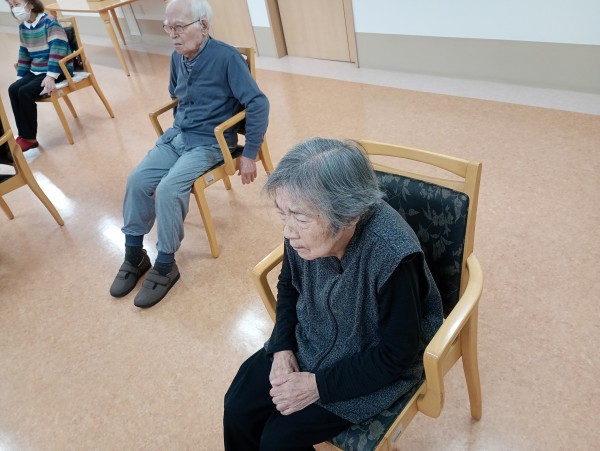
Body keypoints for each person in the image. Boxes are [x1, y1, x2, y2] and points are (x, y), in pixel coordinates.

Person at [223, 138, 444, 449]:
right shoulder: (303, 230)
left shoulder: (393, 256)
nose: (288, 231)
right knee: (237, 409)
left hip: (370, 363)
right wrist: (282, 347)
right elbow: (289, 285)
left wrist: (317, 386)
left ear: (350, 216)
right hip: (310, 339)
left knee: (278, 440)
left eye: (300, 217)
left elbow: (397, 355)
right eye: (283, 214)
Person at [109, 0, 269, 308]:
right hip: (178, 136)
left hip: (210, 143)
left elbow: (258, 103)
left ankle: (166, 264)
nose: (173, 34)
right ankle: (134, 254)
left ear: (204, 26)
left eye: (179, 27)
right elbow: (176, 93)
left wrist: (250, 153)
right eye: (168, 27)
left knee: (169, 189)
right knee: (137, 180)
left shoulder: (227, 58)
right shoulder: (177, 57)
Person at [7, 0, 72, 152]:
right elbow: (24, 54)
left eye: (17, 4)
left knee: (25, 92)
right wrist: (20, 78)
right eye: (11, 6)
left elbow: (58, 48)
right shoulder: (23, 27)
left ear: (30, 4)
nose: (14, 9)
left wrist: (51, 76)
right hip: (37, 69)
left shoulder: (49, 21)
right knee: (14, 89)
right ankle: (23, 135)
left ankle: (30, 139)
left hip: (57, 70)